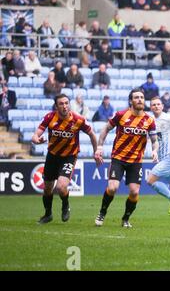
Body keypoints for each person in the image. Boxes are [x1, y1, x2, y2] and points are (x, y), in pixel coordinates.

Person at [94, 88, 159, 228]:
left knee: (134, 192)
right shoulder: (121, 115)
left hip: (136, 161)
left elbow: (154, 140)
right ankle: (102, 212)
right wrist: (99, 146)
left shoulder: (149, 120)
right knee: (112, 188)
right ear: (131, 100)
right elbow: (105, 129)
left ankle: (125, 218)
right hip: (118, 158)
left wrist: (154, 151)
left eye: (142, 97)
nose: (140, 100)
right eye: (136, 97)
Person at [32, 94, 101, 224]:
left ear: (69, 104)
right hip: (52, 156)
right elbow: (36, 135)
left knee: (61, 187)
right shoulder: (49, 117)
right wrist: (36, 140)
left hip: (69, 156)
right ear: (56, 106)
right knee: (47, 188)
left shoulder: (78, 119)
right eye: (61, 104)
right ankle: (48, 214)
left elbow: (92, 134)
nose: (64, 106)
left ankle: (65, 206)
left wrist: (96, 151)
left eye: (66, 103)